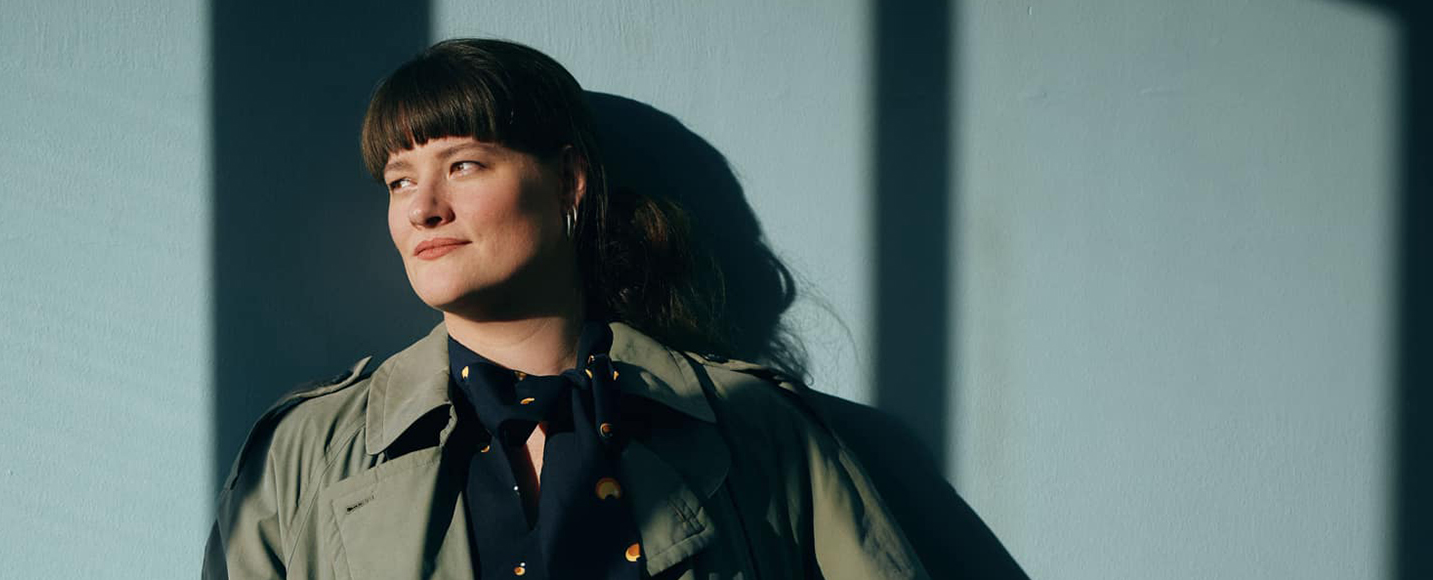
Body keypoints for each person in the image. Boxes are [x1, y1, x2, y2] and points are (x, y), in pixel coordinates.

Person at [203, 38, 927, 580]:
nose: (423, 209)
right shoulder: (304, 452)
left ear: (569, 181)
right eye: (399, 181)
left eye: (463, 165)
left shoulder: (757, 429)